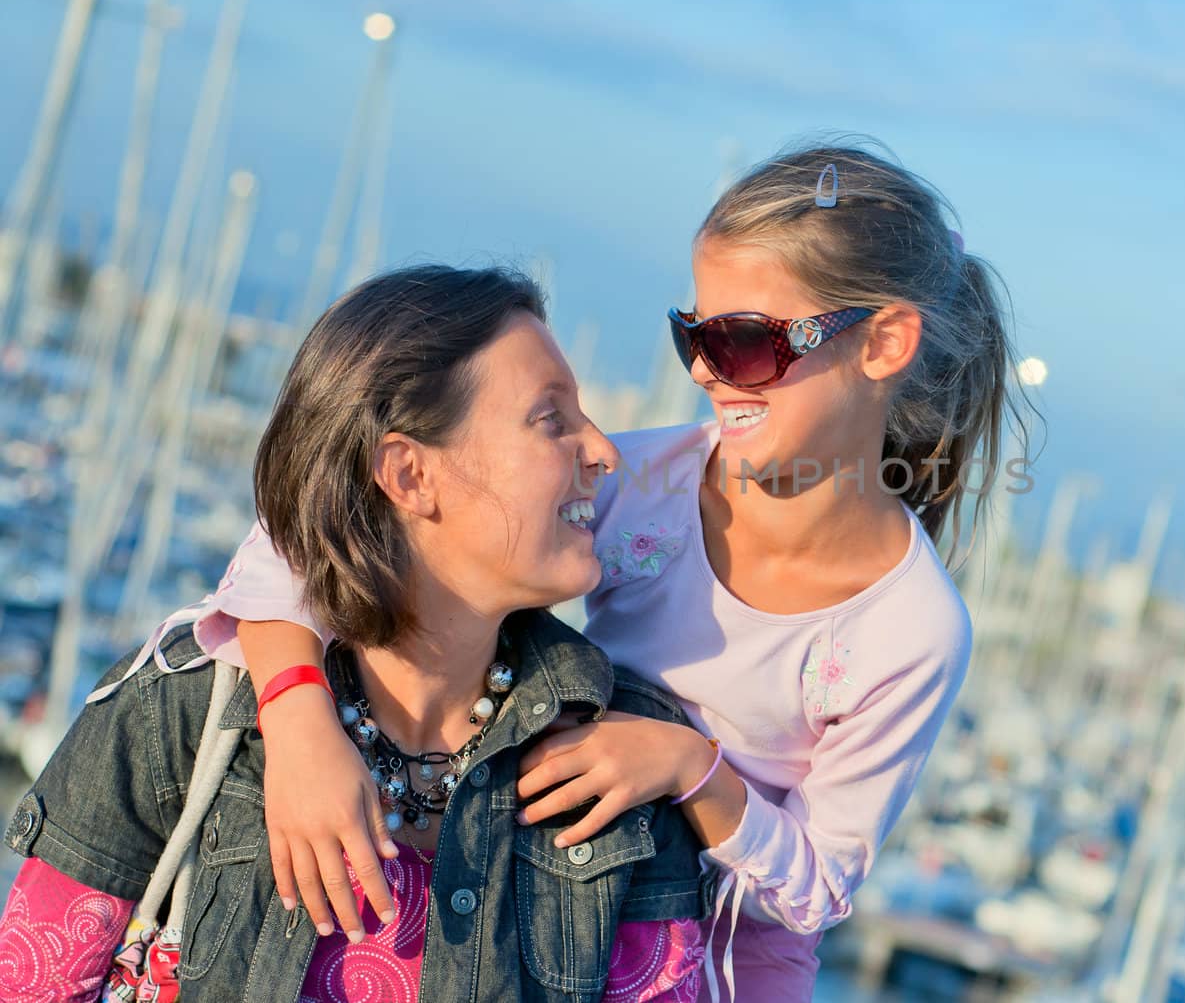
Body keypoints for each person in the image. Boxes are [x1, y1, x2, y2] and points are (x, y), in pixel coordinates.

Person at [137, 142, 1034, 1000]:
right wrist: (296, 718)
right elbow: (315, 527)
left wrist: (687, 765)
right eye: (697, 336)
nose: (713, 377)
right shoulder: (639, 486)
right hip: (573, 905)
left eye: (750, 343)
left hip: (725, 964)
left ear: (883, 344)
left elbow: (813, 892)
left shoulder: (913, 629)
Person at [0, 265, 710, 1002]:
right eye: (551, 419)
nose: (603, 451)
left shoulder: (632, 759)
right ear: (408, 474)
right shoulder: (181, 712)